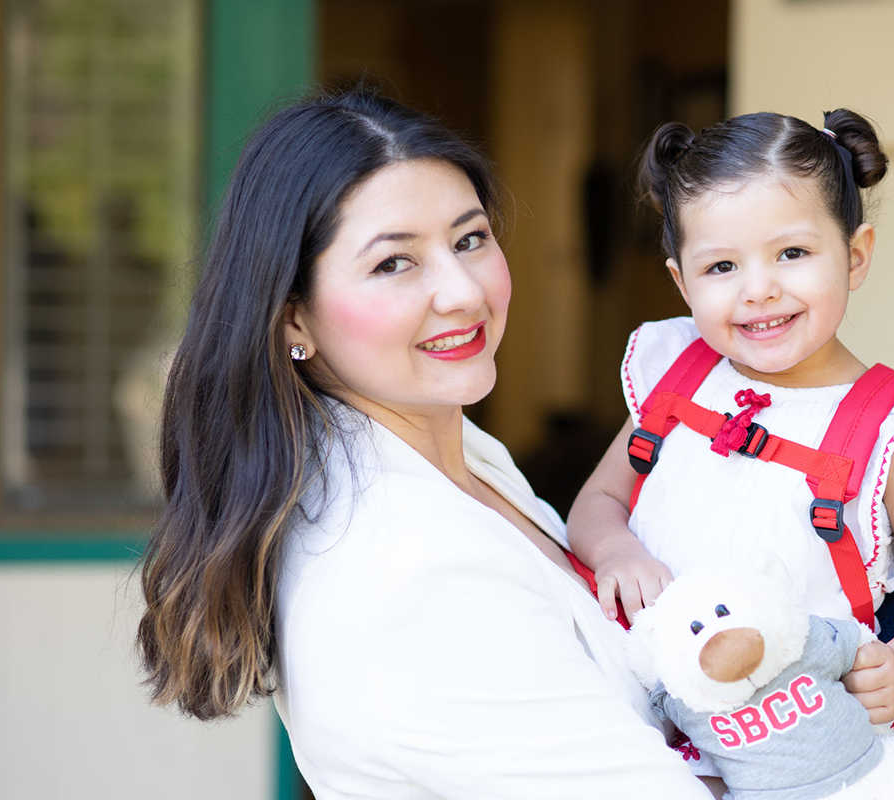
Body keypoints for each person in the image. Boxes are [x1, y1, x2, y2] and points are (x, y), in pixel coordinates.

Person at [136, 89, 712, 800]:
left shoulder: (451, 451)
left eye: (470, 239)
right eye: (393, 264)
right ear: (293, 321)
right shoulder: (410, 568)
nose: (463, 292)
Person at [567, 110, 894, 735]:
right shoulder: (677, 377)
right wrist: (615, 551)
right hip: (640, 734)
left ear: (855, 256)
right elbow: (599, 498)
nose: (758, 289)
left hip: (793, 749)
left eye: (791, 253)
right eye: (722, 267)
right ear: (682, 283)